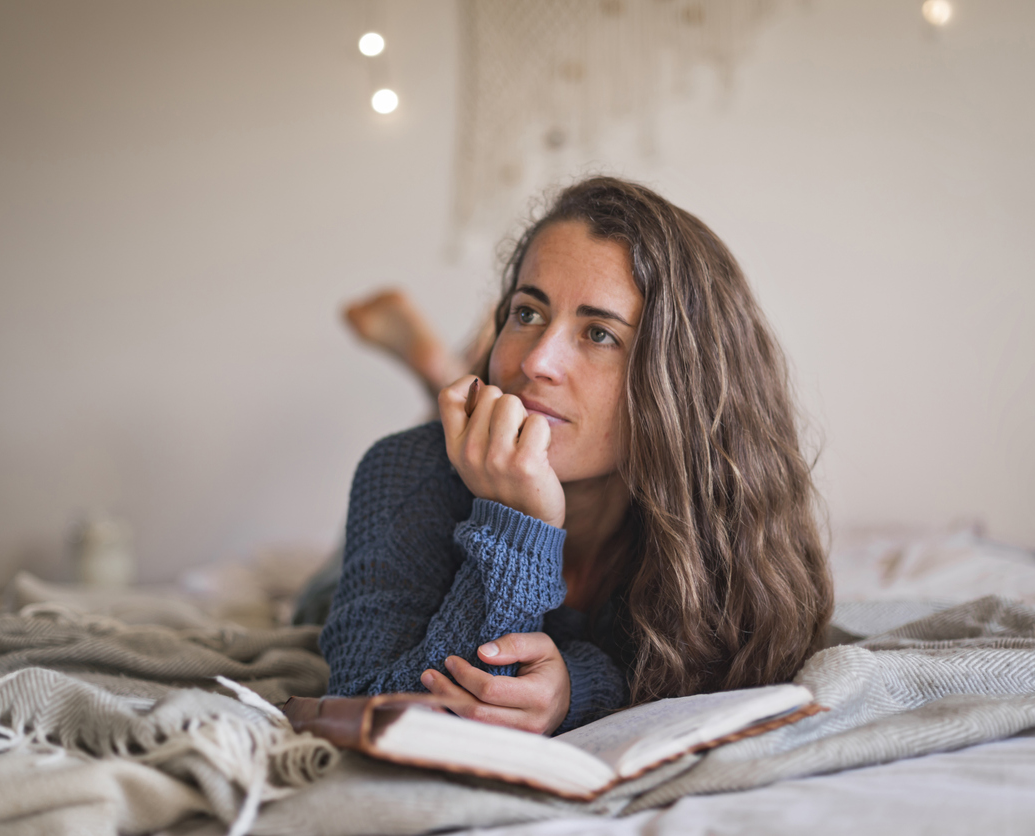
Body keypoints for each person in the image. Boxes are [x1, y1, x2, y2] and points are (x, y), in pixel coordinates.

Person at [319, 177, 833, 735]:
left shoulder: (722, 513)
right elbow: (379, 709)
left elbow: (723, 672)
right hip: (373, 552)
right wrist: (517, 526)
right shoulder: (404, 472)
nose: (537, 360)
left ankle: (448, 378)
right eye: (527, 314)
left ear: (684, 381)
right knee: (317, 593)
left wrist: (578, 686)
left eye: (599, 333)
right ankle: (445, 383)